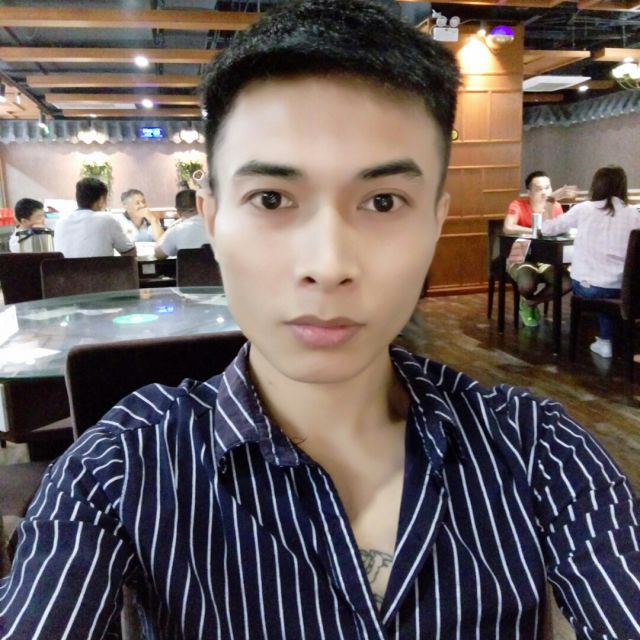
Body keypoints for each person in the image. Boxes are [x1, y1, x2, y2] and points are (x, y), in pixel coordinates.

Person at [1, 2, 638, 638]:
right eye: (271, 198)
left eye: (383, 201)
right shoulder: (121, 467)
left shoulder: (540, 452)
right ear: (214, 220)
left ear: (434, 224)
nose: (328, 266)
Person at [542, 165, 640, 358]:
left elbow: (547, 229)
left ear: (596, 185)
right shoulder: (634, 214)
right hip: (626, 288)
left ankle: (605, 340)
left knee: (589, 282)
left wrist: (550, 200)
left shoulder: (584, 209)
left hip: (592, 288)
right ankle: (612, 338)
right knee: (608, 287)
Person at [503, 171, 575, 327]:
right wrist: (535, 230)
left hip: (546, 256)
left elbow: (555, 230)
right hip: (520, 251)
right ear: (529, 192)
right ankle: (527, 299)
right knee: (527, 284)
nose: (544, 192)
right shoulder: (518, 204)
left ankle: (530, 303)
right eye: (538, 189)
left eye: (547, 188)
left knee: (567, 283)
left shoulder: (555, 206)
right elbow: (508, 227)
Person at [54, 178, 136, 258]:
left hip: (66, 268)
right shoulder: (107, 220)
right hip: (101, 268)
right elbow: (130, 253)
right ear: (101, 199)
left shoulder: (60, 223)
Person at [154, 188, 208, 258]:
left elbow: (159, 254)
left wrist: (169, 229)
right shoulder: (215, 227)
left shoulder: (176, 230)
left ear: (178, 211)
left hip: (187, 265)